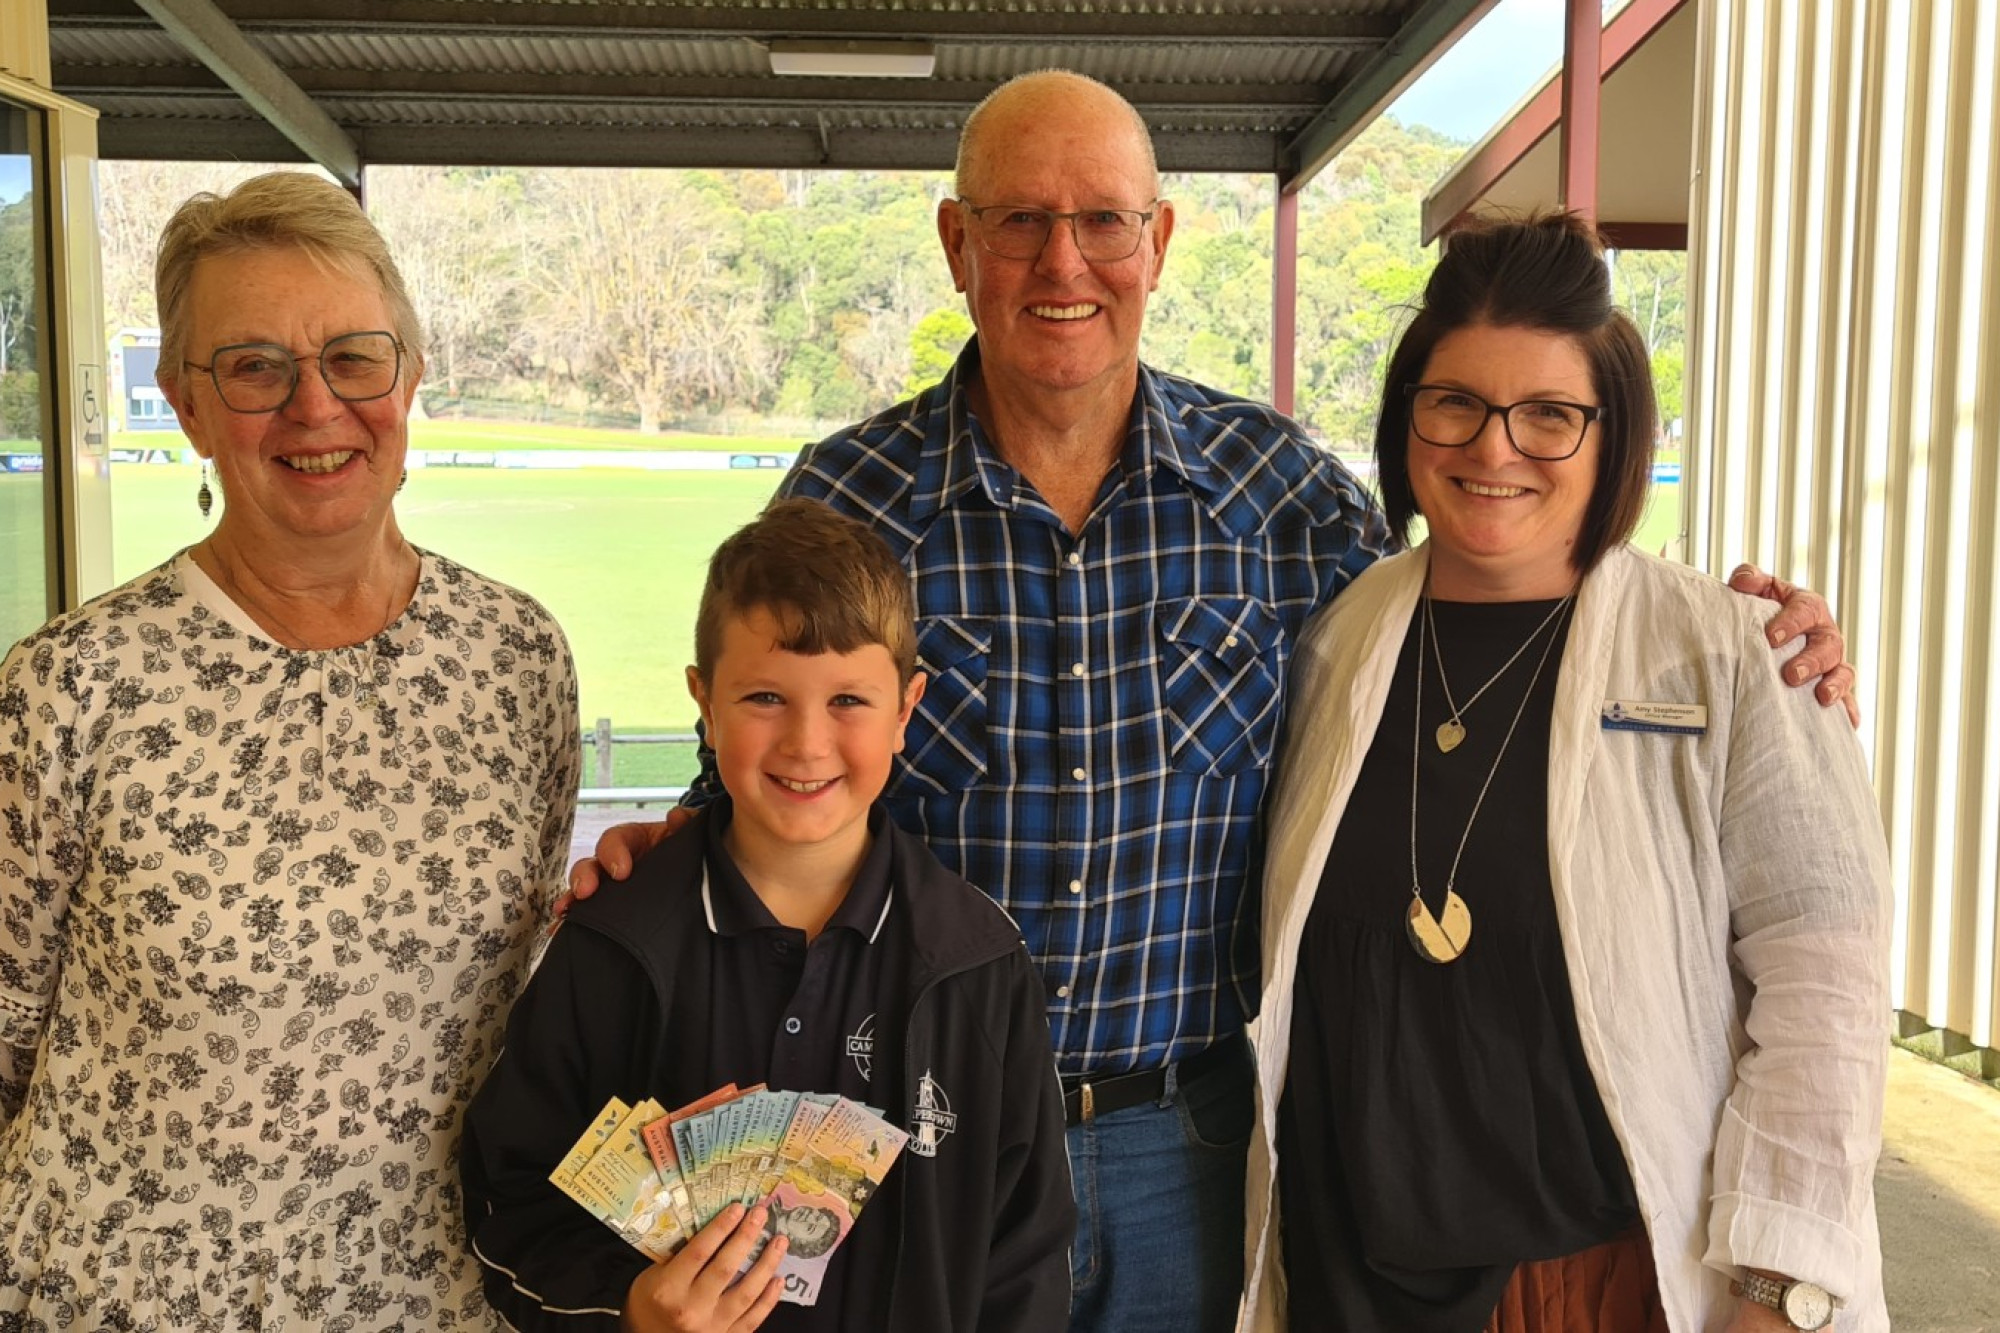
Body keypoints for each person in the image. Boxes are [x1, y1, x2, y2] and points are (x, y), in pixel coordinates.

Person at [571, 71, 1856, 1333]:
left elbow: (1492, 595)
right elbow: (758, 764)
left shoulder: (1281, 500)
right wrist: (666, 843)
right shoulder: (847, 497)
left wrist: (1750, 639)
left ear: (1159, 241)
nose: (1060, 261)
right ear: (958, 244)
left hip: (1183, 1145)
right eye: (1018, 220)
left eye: (1102, 221)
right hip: (923, 1131)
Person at [1239, 213, 1890, 1332]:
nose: (1492, 449)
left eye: (1549, 414)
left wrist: (1776, 1286)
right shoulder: (1336, 638)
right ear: (1405, 422)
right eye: (1454, 403)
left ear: (1613, 435)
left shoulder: (1732, 650)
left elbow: (1823, 985)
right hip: (1347, 1270)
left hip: (1600, 1275)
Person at [0, 172, 581, 1327]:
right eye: (255, 367)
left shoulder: (516, 659)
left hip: (437, 1297)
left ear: (410, 376)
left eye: (354, 357)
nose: (315, 407)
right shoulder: (64, 691)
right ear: (186, 402)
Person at [460, 499, 1074, 1333]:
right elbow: (512, 1195)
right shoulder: (614, 945)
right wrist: (631, 1304)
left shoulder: (976, 964)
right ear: (703, 703)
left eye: (849, 701)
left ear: (908, 709)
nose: (807, 743)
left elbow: (1026, 1258)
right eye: (764, 697)